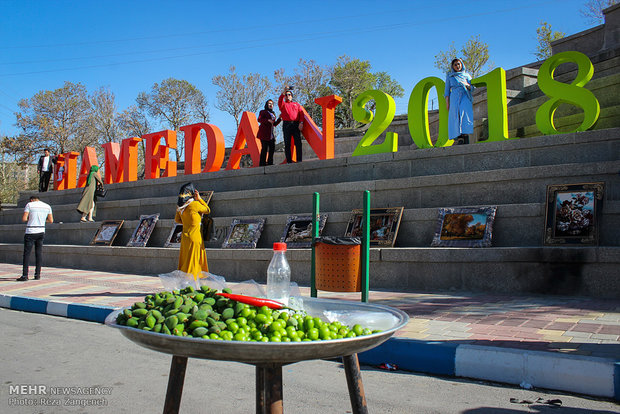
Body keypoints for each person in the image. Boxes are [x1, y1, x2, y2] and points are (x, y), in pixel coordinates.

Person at [175, 182, 210, 280]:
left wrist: (187, 223)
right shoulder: (195, 205)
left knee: (186, 261)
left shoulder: (180, 207)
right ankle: (192, 282)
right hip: (195, 237)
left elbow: (177, 220)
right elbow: (207, 210)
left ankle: (185, 282)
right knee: (194, 262)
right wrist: (199, 199)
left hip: (185, 237)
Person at [17, 195, 53, 281]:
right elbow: (51, 220)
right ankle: (37, 274)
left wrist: (31, 218)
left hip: (31, 231)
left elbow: (24, 218)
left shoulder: (29, 205)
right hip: (41, 230)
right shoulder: (47, 206)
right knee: (38, 253)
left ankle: (25, 275)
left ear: (32, 200)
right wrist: (42, 220)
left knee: (27, 254)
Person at [444, 58, 474, 145]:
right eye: (455, 65)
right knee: (456, 116)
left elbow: (472, 88)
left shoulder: (467, 76)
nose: (457, 66)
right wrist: (447, 102)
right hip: (454, 97)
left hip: (465, 95)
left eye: (459, 64)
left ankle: (465, 135)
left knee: (464, 114)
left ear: (462, 64)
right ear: (453, 67)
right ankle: (459, 137)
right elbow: (446, 91)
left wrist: (467, 85)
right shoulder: (450, 76)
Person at [278, 87, 304, 163]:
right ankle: (289, 161)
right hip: (286, 125)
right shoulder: (283, 105)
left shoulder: (297, 104)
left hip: (296, 124)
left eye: (289, 94)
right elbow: (280, 99)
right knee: (287, 143)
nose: (287, 96)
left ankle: (299, 160)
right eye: (286, 95)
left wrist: (301, 123)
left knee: (298, 143)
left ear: (292, 96)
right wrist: (284, 91)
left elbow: (301, 114)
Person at [257, 99, 282, 166]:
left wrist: (279, 119)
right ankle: (262, 163)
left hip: (271, 134)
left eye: (272, 104)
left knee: (272, 148)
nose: (271, 105)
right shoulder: (263, 112)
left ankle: (270, 162)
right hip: (264, 133)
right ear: (266, 104)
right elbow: (259, 119)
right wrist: (267, 120)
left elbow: (274, 124)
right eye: (269, 103)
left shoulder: (273, 113)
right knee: (264, 148)